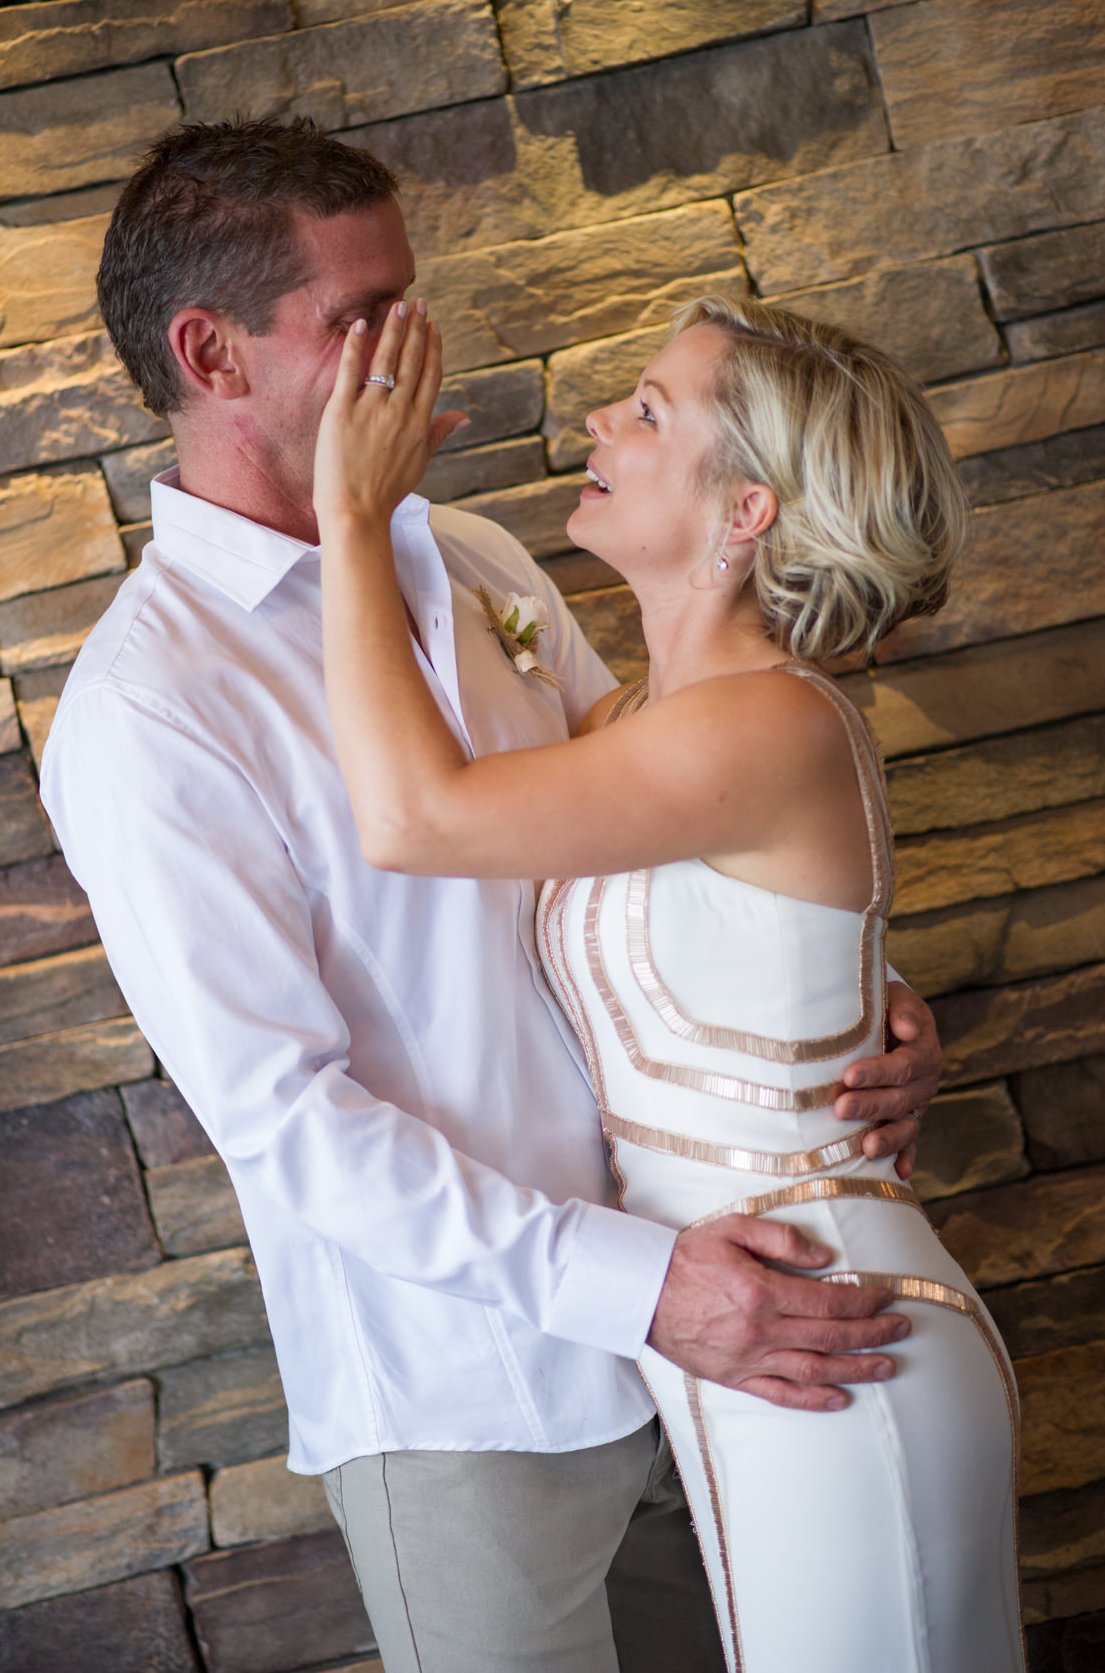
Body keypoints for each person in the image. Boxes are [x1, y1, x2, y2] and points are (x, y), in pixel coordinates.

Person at [40, 116, 943, 1673]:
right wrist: (637, 1286)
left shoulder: (471, 560)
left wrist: (837, 1004)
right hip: (475, 1389)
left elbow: (668, 836)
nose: (414, 351)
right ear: (213, 353)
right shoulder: (149, 708)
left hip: (712, 1328)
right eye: (358, 319)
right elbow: (285, 1120)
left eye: (409, 300)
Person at [309, 291, 1024, 1673]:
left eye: (649, 411)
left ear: (748, 510)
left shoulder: (770, 719)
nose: (600, 422)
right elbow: (734, 933)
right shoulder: (641, 721)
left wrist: (347, 518)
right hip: (748, 1337)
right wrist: (872, 989)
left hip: (833, 1335)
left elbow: (416, 818)